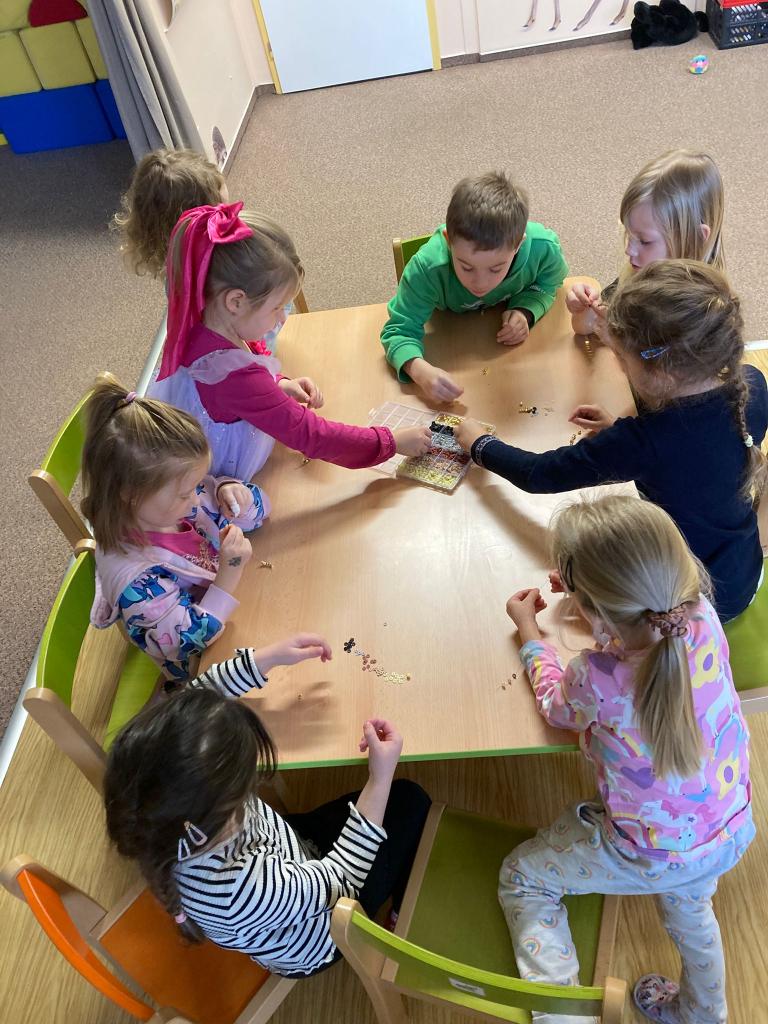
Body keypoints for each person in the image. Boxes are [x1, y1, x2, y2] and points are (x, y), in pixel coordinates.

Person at [502, 494, 753, 1024]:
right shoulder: (701, 620)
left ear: (596, 613)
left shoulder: (595, 677)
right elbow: (642, 643)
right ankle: (704, 1014)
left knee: (523, 876)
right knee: (692, 912)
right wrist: (594, 602)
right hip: (727, 829)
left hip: (648, 853)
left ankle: (563, 1017)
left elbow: (556, 707)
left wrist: (530, 632)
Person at [456, 260, 768, 622]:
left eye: (621, 358)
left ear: (661, 374)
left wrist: (480, 445)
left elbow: (538, 474)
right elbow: (699, 454)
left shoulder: (642, 444)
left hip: (691, 605)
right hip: (744, 572)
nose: (619, 366)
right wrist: (618, 424)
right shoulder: (753, 385)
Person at [104, 641, 431, 977]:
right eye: (247, 780)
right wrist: (379, 779)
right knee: (412, 800)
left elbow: (195, 707)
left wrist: (267, 658)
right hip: (323, 930)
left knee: (373, 810)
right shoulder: (243, 887)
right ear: (223, 809)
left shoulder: (157, 802)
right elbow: (341, 882)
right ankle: (399, 914)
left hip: (289, 856)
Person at [149, 202, 431, 481]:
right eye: (276, 308)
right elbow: (313, 436)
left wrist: (277, 383)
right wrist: (391, 442)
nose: (282, 319)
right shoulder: (233, 377)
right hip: (224, 480)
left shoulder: (202, 318)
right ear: (235, 301)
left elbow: (237, 384)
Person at [81, 373, 268, 682]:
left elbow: (261, 512)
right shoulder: (136, 582)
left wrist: (235, 493)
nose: (196, 498)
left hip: (237, 605)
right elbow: (186, 644)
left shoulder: (165, 503)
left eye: (197, 486)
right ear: (131, 493)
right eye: (185, 493)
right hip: (205, 664)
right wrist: (230, 572)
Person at [380, 171, 568, 403]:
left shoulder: (544, 248)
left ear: (519, 245)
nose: (481, 283)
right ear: (448, 240)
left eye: (496, 269)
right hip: (448, 334)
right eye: (466, 267)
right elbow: (398, 330)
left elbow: (549, 282)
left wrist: (526, 309)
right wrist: (419, 371)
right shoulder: (427, 268)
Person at [566, 149, 724, 336]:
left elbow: (647, 354)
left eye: (645, 241)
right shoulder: (639, 273)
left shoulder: (703, 316)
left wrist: (618, 340)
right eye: (628, 234)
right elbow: (586, 328)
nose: (629, 250)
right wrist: (584, 310)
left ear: (694, 239)